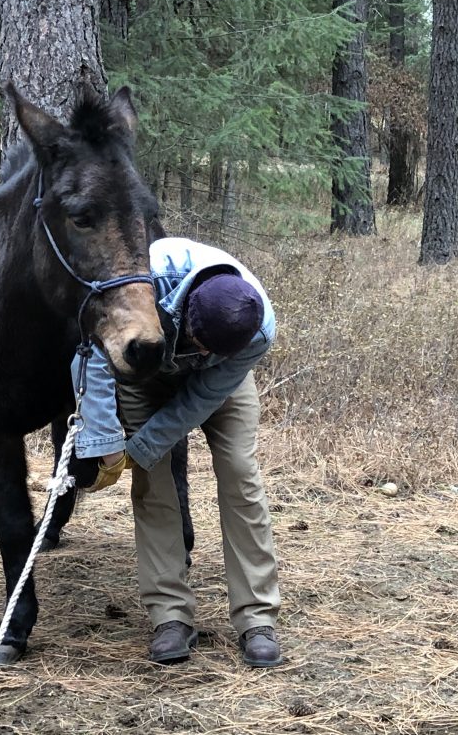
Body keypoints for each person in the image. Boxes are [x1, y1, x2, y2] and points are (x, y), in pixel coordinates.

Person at [71, 236, 282, 668]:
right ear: (185, 308)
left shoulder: (257, 330)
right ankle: (170, 617)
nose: (199, 352)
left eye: (211, 350)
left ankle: (257, 619)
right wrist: (107, 444)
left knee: (241, 475)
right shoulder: (144, 279)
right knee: (153, 484)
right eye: (196, 340)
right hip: (142, 371)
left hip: (218, 386)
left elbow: (197, 400)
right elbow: (92, 351)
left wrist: (143, 446)